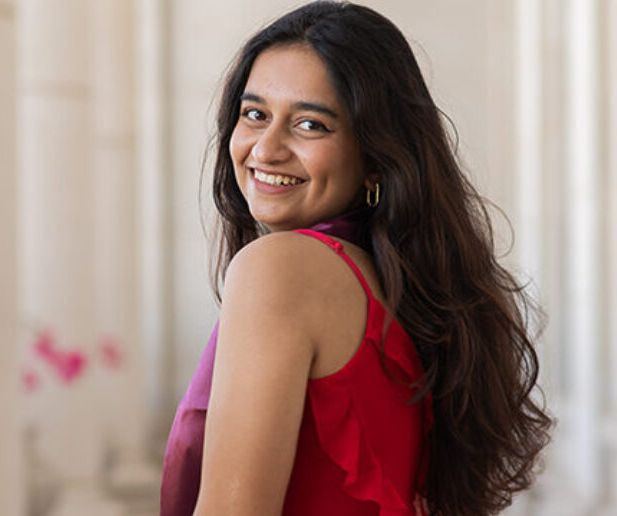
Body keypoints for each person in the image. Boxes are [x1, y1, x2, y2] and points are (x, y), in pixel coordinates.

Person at [161, 2, 552, 514]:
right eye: (255, 114)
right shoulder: (396, 286)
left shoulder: (280, 270)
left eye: (310, 125)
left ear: (375, 156)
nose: (266, 148)